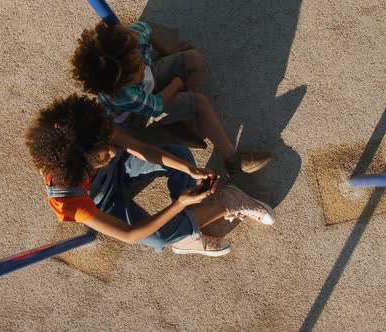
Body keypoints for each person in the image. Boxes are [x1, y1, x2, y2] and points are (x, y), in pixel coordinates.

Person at [25, 94, 275, 256]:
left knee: (176, 152)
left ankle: (187, 229)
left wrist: (187, 169)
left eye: (109, 143)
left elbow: (142, 149)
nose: (114, 151)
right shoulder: (69, 201)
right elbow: (130, 235)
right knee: (158, 238)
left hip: (114, 175)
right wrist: (179, 203)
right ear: (83, 164)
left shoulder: (88, 131)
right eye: (104, 155)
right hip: (101, 200)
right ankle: (226, 203)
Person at [70, 21, 272, 175]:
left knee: (194, 59)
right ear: (116, 85)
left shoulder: (132, 41)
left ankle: (185, 117)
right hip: (132, 121)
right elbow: (156, 106)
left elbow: (146, 29)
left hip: (152, 83)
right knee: (200, 102)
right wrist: (175, 84)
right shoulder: (123, 95)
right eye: (134, 75)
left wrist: (167, 50)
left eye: (137, 62)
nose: (141, 68)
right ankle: (232, 159)